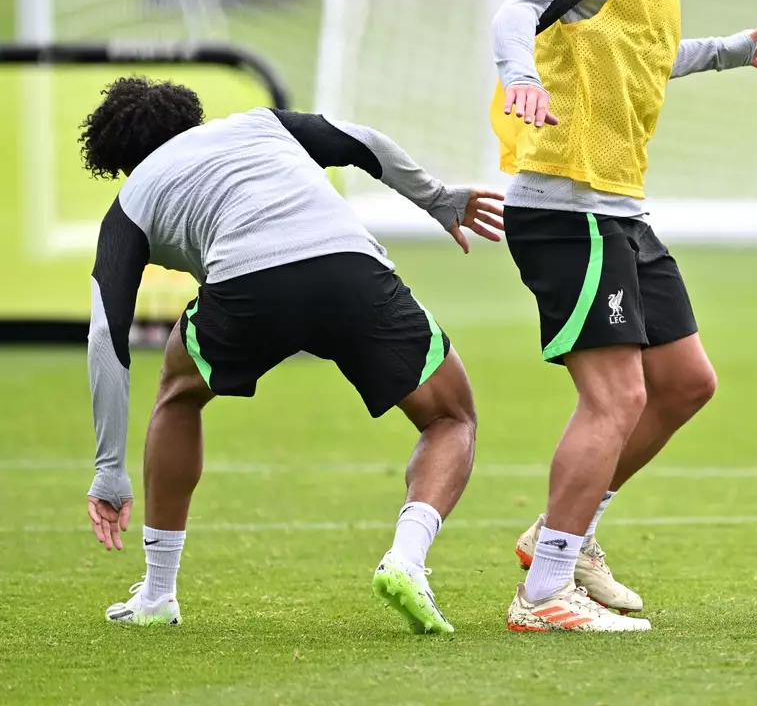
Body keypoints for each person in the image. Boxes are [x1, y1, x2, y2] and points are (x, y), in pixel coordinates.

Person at [489, 0, 757, 632]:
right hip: (566, 206)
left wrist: (731, 52)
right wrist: (518, 76)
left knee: (685, 382)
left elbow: (644, 54)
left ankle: (568, 531)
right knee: (615, 398)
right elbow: (516, 9)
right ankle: (545, 592)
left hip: (616, 209)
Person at [81, 77, 502, 633]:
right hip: (349, 268)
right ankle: (407, 558)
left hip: (247, 292)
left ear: (122, 161)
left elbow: (105, 337)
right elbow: (362, 142)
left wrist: (110, 470)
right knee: (451, 416)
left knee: (179, 393)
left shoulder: (130, 202)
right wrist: (437, 198)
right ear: (192, 119)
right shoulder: (259, 124)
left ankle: (158, 595)